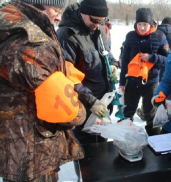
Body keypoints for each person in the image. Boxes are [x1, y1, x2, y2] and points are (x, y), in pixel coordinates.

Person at [0, 0, 86, 181]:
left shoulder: (7, 25)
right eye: (56, 9)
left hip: (11, 144)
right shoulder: (33, 43)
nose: (59, 16)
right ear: (38, 4)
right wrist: (82, 112)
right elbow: (68, 112)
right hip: (34, 152)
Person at [57, 0, 119, 143]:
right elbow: (67, 77)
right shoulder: (66, 35)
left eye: (102, 21)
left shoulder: (99, 29)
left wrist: (114, 64)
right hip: (83, 107)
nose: (98, 25)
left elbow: (106, 53)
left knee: (102, 147)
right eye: (94, 20)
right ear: (82, 12)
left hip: (103, 103)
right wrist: (91, 101)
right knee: (87, 151)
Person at [119, 7, 170, 136]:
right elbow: (125, 60)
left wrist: (152, 57)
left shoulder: (159, 36)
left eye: (145, 25)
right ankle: (126, 139)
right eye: (139, 24)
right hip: (132, 81)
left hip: (150, 84)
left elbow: (168, 58)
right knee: (127, 112)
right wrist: (121, 82)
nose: (141, 28)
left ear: (151, 24)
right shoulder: (130, 36)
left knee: (150, 115)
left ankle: (154, 142)